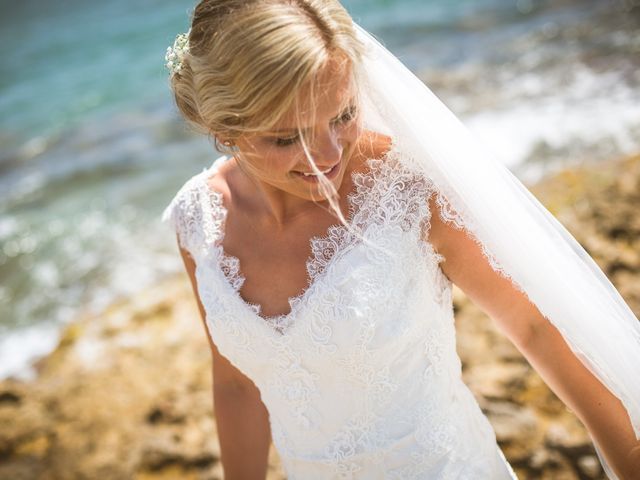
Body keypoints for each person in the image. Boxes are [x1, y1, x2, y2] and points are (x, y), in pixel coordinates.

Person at [161, 1, 640, 478]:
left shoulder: (409, 190)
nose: (329, 154)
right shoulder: (198, 221)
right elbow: (237, 383)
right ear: (225, 129)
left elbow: (535, 327)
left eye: (344, 114)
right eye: (289, 138)